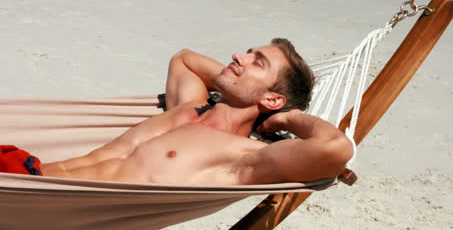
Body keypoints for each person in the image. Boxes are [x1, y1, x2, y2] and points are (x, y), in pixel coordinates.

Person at [2, 38, 353, 185]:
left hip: (47, 206)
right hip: (24, 174)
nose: (238, 57)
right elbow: (185, 59)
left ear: (274, 99)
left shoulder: (244, 156)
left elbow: (335, 148)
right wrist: (237, 85)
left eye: (256, 62)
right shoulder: (188, 109)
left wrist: (285, 118)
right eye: (247, 51)